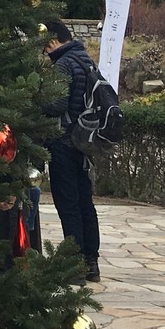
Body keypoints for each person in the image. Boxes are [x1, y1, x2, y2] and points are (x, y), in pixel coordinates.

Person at [41, 18, 102, 282]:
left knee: (68, 205)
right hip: (85, 143)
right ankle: (91, 263)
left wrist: (37, 95)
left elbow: (56, 105)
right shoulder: (86, 60)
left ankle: (73, 266)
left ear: (53, 42)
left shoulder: (63, 64)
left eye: (44, 48)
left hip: (64, 142)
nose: (44, 53)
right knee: (85, 202)